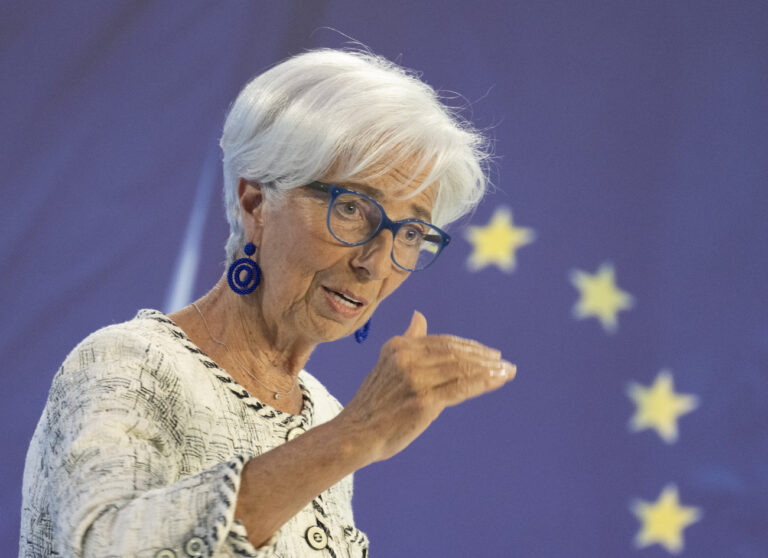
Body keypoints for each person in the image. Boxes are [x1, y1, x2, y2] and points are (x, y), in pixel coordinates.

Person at [19, 48, 516, 558]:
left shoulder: (322, 412)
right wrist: (355, 435)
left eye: (411, 231)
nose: (377, 261)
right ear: (255, 202)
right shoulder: (130, 363)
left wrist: (343, 432)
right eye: (351, 208)